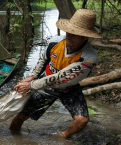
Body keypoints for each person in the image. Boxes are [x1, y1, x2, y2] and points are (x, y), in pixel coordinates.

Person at [9, 9, 103, 139]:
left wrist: (31, 85)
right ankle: (13, 138)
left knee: (82, 120)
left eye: (75, 34)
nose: (69, 36)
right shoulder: (55, 42)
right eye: (69, 32)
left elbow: (60, 77)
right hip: (45, 84)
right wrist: (32, 76)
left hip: (68, 87)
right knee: (20, 117)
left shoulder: (89, 57)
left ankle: (63, 137)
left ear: (85, 36)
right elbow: (43, 60)